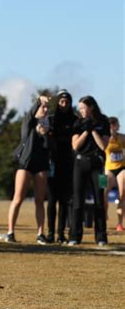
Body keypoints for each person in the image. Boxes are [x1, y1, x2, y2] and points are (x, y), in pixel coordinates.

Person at [0, 95, 50, 244]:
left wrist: (47, 134)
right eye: (43, 107)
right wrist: (39, 100)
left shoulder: (48, 126)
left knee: (40, 201)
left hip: (41, 165)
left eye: (47, 108)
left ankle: (41, 233)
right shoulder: (29, 122)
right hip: (25, 164)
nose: (45, 110)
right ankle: (10, 232)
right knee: (18, 198)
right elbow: (30, 114)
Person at [68, 96, 110, 246]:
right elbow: (75, 146)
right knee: (78, 201)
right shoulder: (78, 123)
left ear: (91, 107)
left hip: (98, 166)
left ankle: (101, 237)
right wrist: (85, 131)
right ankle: (74, 236)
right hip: (80, 164)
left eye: (83, 108)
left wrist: (93, 131)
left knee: (99, 201)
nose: (80, 111)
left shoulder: (103, 121)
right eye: (79, 108)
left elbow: (103, 146)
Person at [46, 89, 78, 243]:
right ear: (58, 102)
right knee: (52, 201)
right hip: (53, 164)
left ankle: (60, 233)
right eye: (61, 101)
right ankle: (50, 232)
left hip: (68, 164)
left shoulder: (75, 120)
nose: (64, 104)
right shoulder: (51, 120)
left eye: (67, 102)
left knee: (64, 201)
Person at [104, 117, 125, 232]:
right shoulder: (104, 138)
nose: (113, 127)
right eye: (111, 125)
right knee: (102, 193)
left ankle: (120, 223)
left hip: (122, 168)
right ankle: (103, 214)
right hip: (107, 169)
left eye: (114, 124)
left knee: (123, 193)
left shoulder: (121, 138)